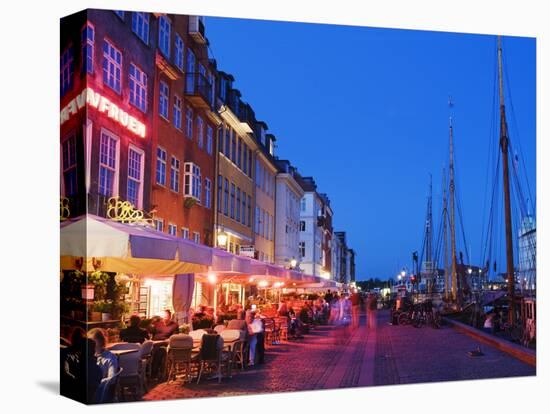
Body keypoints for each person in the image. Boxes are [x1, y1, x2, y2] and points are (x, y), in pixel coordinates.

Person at [89, 328, 119, 403]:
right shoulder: (89, 355)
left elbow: (111, 380)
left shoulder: (110, 358)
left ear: (101, 342)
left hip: (100, 393)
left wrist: (95, 382)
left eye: (92, 343)